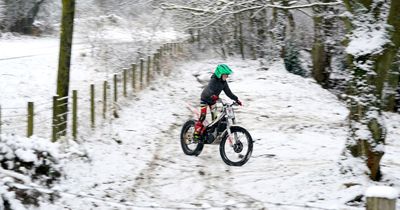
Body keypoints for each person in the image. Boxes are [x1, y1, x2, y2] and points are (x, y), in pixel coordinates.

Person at [194, 64, 242, 141]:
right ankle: (196, 134)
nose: (227, 76)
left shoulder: (224, 82)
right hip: (205, 99)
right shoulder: (213, 80)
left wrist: (236, 99)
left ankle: (210, 134)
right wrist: (213, 95)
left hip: (213, 100)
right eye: (225, 75)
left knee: (215, 119)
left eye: (227, 75)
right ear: (220, 74)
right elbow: (210, 90)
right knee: (203, 116)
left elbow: (228, 93)